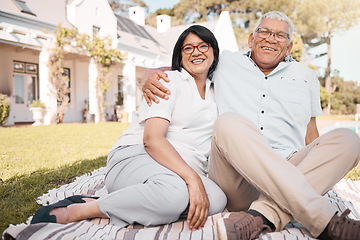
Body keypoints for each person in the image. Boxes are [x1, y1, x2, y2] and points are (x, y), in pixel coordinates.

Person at [141, 11, 360, 240]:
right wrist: (148, 76)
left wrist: (323, 168)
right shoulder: (225, 62)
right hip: (236, 178)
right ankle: (328, 223)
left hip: (290, 168)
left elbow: (311, 136)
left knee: (349, 139)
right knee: (228, 122)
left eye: (279, 35)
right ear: (251, 39)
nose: (270, 38)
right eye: (264, 31)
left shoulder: (307, 77)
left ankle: (260, 217)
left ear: (289, 46)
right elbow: (182, 68)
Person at [31, 25, 226, 231]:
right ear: (180, 56)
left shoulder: (217, 92)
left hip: (178, 172)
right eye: (188, 48)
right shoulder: (168, 82)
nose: (196, 51)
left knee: (217, 200)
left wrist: (192, 179)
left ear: (214, 51)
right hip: (137, 156)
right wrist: (193, 180)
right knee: (174, 195)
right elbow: (152, 140)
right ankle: (83, 208)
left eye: (203, 45)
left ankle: (145, 200)